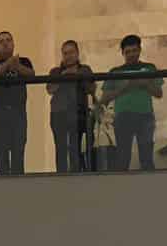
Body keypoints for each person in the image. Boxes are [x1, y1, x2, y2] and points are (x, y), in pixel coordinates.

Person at [102, 35, 161, 171]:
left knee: (146, 157)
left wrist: (145, 84)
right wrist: (125, 87)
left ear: (140, 50)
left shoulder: (149, 68)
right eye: (128, 52)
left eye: (134, 50)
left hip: (145, 116)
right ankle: (121, 190)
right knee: (122, 157)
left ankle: (151, 188)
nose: (131, 54)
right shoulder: (115, 72)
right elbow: (104, 99)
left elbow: (159, 93)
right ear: (122, 53)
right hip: (122, 117)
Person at [0, 31, 33, 176]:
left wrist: (17, 66)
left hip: (18, 115)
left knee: (18, 154)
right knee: (1, 155)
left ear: (13, 44)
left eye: (8, 40)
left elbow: (31, 74)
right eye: (1, 41)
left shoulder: (24, 61)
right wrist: (7, 65)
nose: (5, 43)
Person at [46, 40, 94, 173]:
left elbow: (92, 89)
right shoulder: (55, 71)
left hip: (78, 113)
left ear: (77, 53)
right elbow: (50, 89)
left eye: (71, 52)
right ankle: (60, 176)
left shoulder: (85, 69)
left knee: (75, 147)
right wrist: (63, 77)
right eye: (65, 53)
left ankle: (76, 175)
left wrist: (78, 76)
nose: (68, 56)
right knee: (60, 148)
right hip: (58, 114)